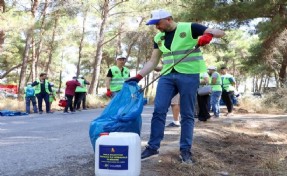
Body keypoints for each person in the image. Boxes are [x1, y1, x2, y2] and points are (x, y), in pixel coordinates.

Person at [125, 9, 225, 163]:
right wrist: (138, 77)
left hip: (189, 76)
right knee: (158, 110)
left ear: (169, 19)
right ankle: (152, 148)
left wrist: (208, 35)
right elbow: (153, 61)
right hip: (167, 76)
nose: (156, 27)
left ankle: (185, 151)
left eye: (158, 23)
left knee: (187, 114)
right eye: (154, 24)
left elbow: (220, 32)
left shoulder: (189, 27)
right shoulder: (158, 37)